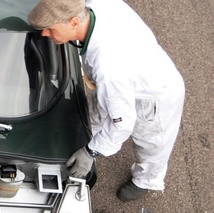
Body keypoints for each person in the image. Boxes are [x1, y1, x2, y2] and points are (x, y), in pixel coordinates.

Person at [28, 0, 185, 202]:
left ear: (74, 22)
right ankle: (85, 137)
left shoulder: (109, 68)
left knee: (151, 145)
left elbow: (122, 124)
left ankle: (146, 179)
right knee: (93, 115)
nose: (44, 34)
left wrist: (90, 152)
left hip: (153, 94)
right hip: (126, 74)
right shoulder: (98, 4)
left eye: (50, 29)